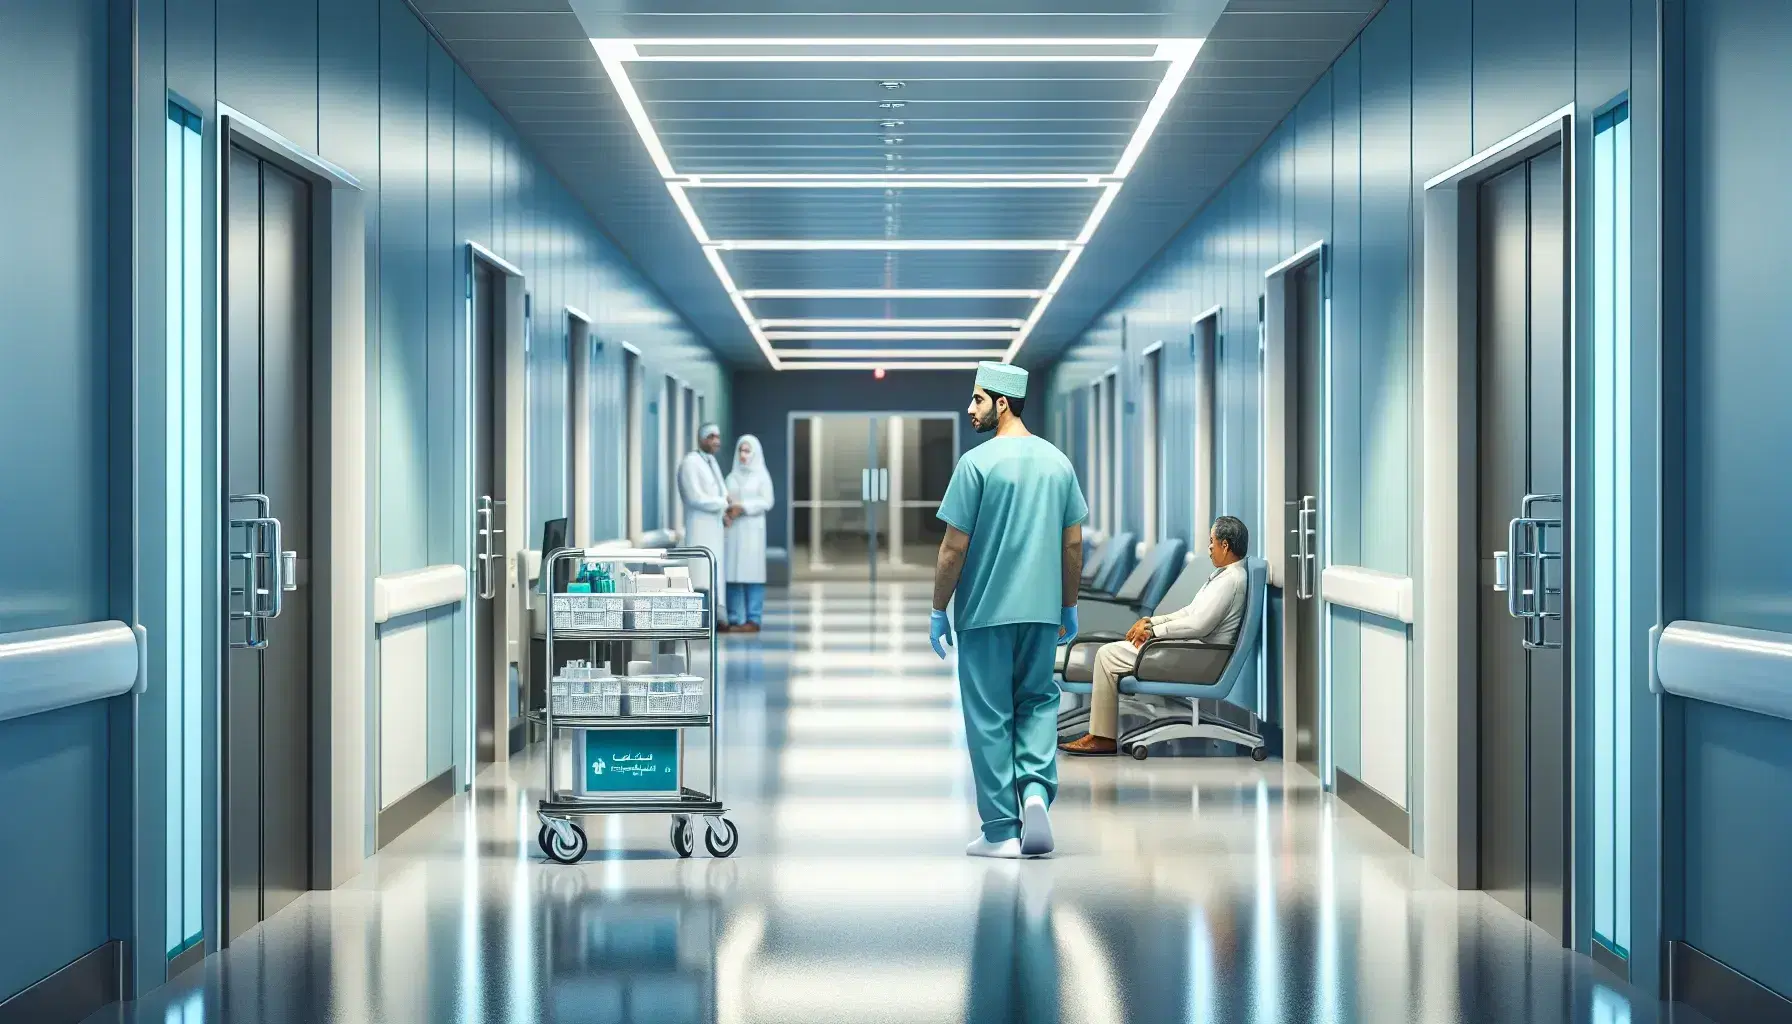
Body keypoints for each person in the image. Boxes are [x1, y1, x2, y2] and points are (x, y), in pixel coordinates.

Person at [931, 362, 1088, 860]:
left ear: (1002, 403)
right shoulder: (1058, 463)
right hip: (1042, 612)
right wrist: (1069, 604)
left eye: (977, 399)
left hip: (984, 612)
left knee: (989, 715)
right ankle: (1037, 791)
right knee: (1039, 702)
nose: (969, 408)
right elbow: (1073, 544)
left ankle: (1000, 829)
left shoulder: (977, 464)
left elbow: (953, 549)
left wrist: (939, 608)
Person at [1058, 516, 1250, 757]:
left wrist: (1154, 632)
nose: (1209, 547)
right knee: (1111, 652)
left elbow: (1199, 626)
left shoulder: (1230, 581)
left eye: (1212, 542)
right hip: (1194, 652)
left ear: (1225, 545)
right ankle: (1099, 734)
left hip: (1199, 659)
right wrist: (1152, 622)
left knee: (1107, 655)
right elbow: (1190, 612)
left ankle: (1102, 737)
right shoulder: (1224, 576)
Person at [677, 423, 736, 630]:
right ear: (701, 439)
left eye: (718, 437)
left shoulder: (711, 461)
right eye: (711, 437)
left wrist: (724, 509)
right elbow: (694, 497)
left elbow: (721, 491)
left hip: (715, 528)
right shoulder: (690, 463)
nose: (716, 441)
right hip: (700, 527)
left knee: (714, 573)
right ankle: (700, 620)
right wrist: (723, 503)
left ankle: (716, 618)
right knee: (700, 573)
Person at [723, 434, 774, 632]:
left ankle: (753, 619)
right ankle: (735, 618)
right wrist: (727, 512)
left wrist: (743, 507)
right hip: (734, 531)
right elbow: (724, 500)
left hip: (753, 532)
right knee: (733, 575)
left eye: (747, 450)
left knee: (753, 575)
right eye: (740, 450)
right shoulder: (731, 477)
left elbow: (767, 502)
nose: (743, 455)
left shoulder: (762, 477)